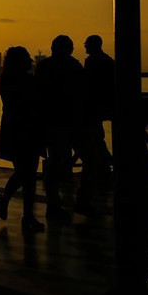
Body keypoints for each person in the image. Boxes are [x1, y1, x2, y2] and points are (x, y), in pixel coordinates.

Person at [35, 35, 93, 219]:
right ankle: (80, 200)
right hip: (72, 122)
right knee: (89, 160)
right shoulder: (74, 66)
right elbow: (84, 93)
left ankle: (54, 203)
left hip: (53, 122)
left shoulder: (44, 67)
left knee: (55, 163)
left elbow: (39, 97)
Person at [0, 47, 45, 234]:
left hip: (22, 128)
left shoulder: (10, 80)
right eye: (26, 57)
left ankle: (24, 212)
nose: (29, 60)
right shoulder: (15, 81)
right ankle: (18, 208)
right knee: (26, 173)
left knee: (28, 173)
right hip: (20, 129)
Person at [83, 35, 114, 180]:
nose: (85, 46)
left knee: (93, 134)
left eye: (87, 44)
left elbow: (87, 82)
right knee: (96, 134)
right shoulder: (107, 60)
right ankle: (103, 161)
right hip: (106, 103)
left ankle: (102, 161)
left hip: (95, 104)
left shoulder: (92, 61)